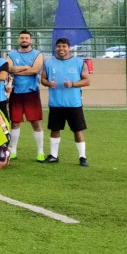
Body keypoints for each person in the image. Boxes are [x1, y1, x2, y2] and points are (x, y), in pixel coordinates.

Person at [40, 37, 91, 166]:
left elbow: (87, 81)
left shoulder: (79, 62)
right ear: (55, 48)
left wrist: (73, 83)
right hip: (56, 103)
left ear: (69, 48)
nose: (61, 49)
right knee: (55, 129)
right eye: (59, 46)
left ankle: (82, 157)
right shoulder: (49, 63)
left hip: (73, 103)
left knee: (78, 130)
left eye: (64, 46)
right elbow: (43, 79)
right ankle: (53, 156)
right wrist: (48, 83)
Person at [6, 30, 47, 160]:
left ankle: (40, 151)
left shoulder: (37, 54)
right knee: (15, 122)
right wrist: (26, 68)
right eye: (22, 38)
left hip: (31, 93)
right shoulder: (12, 54)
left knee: (35, 122)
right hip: (16, 92)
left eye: (26, 38)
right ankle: (13, 151)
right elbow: (8, 68)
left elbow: (35, 70)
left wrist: (17, 70)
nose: (24, 40)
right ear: (18, 40)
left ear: (31, 40)